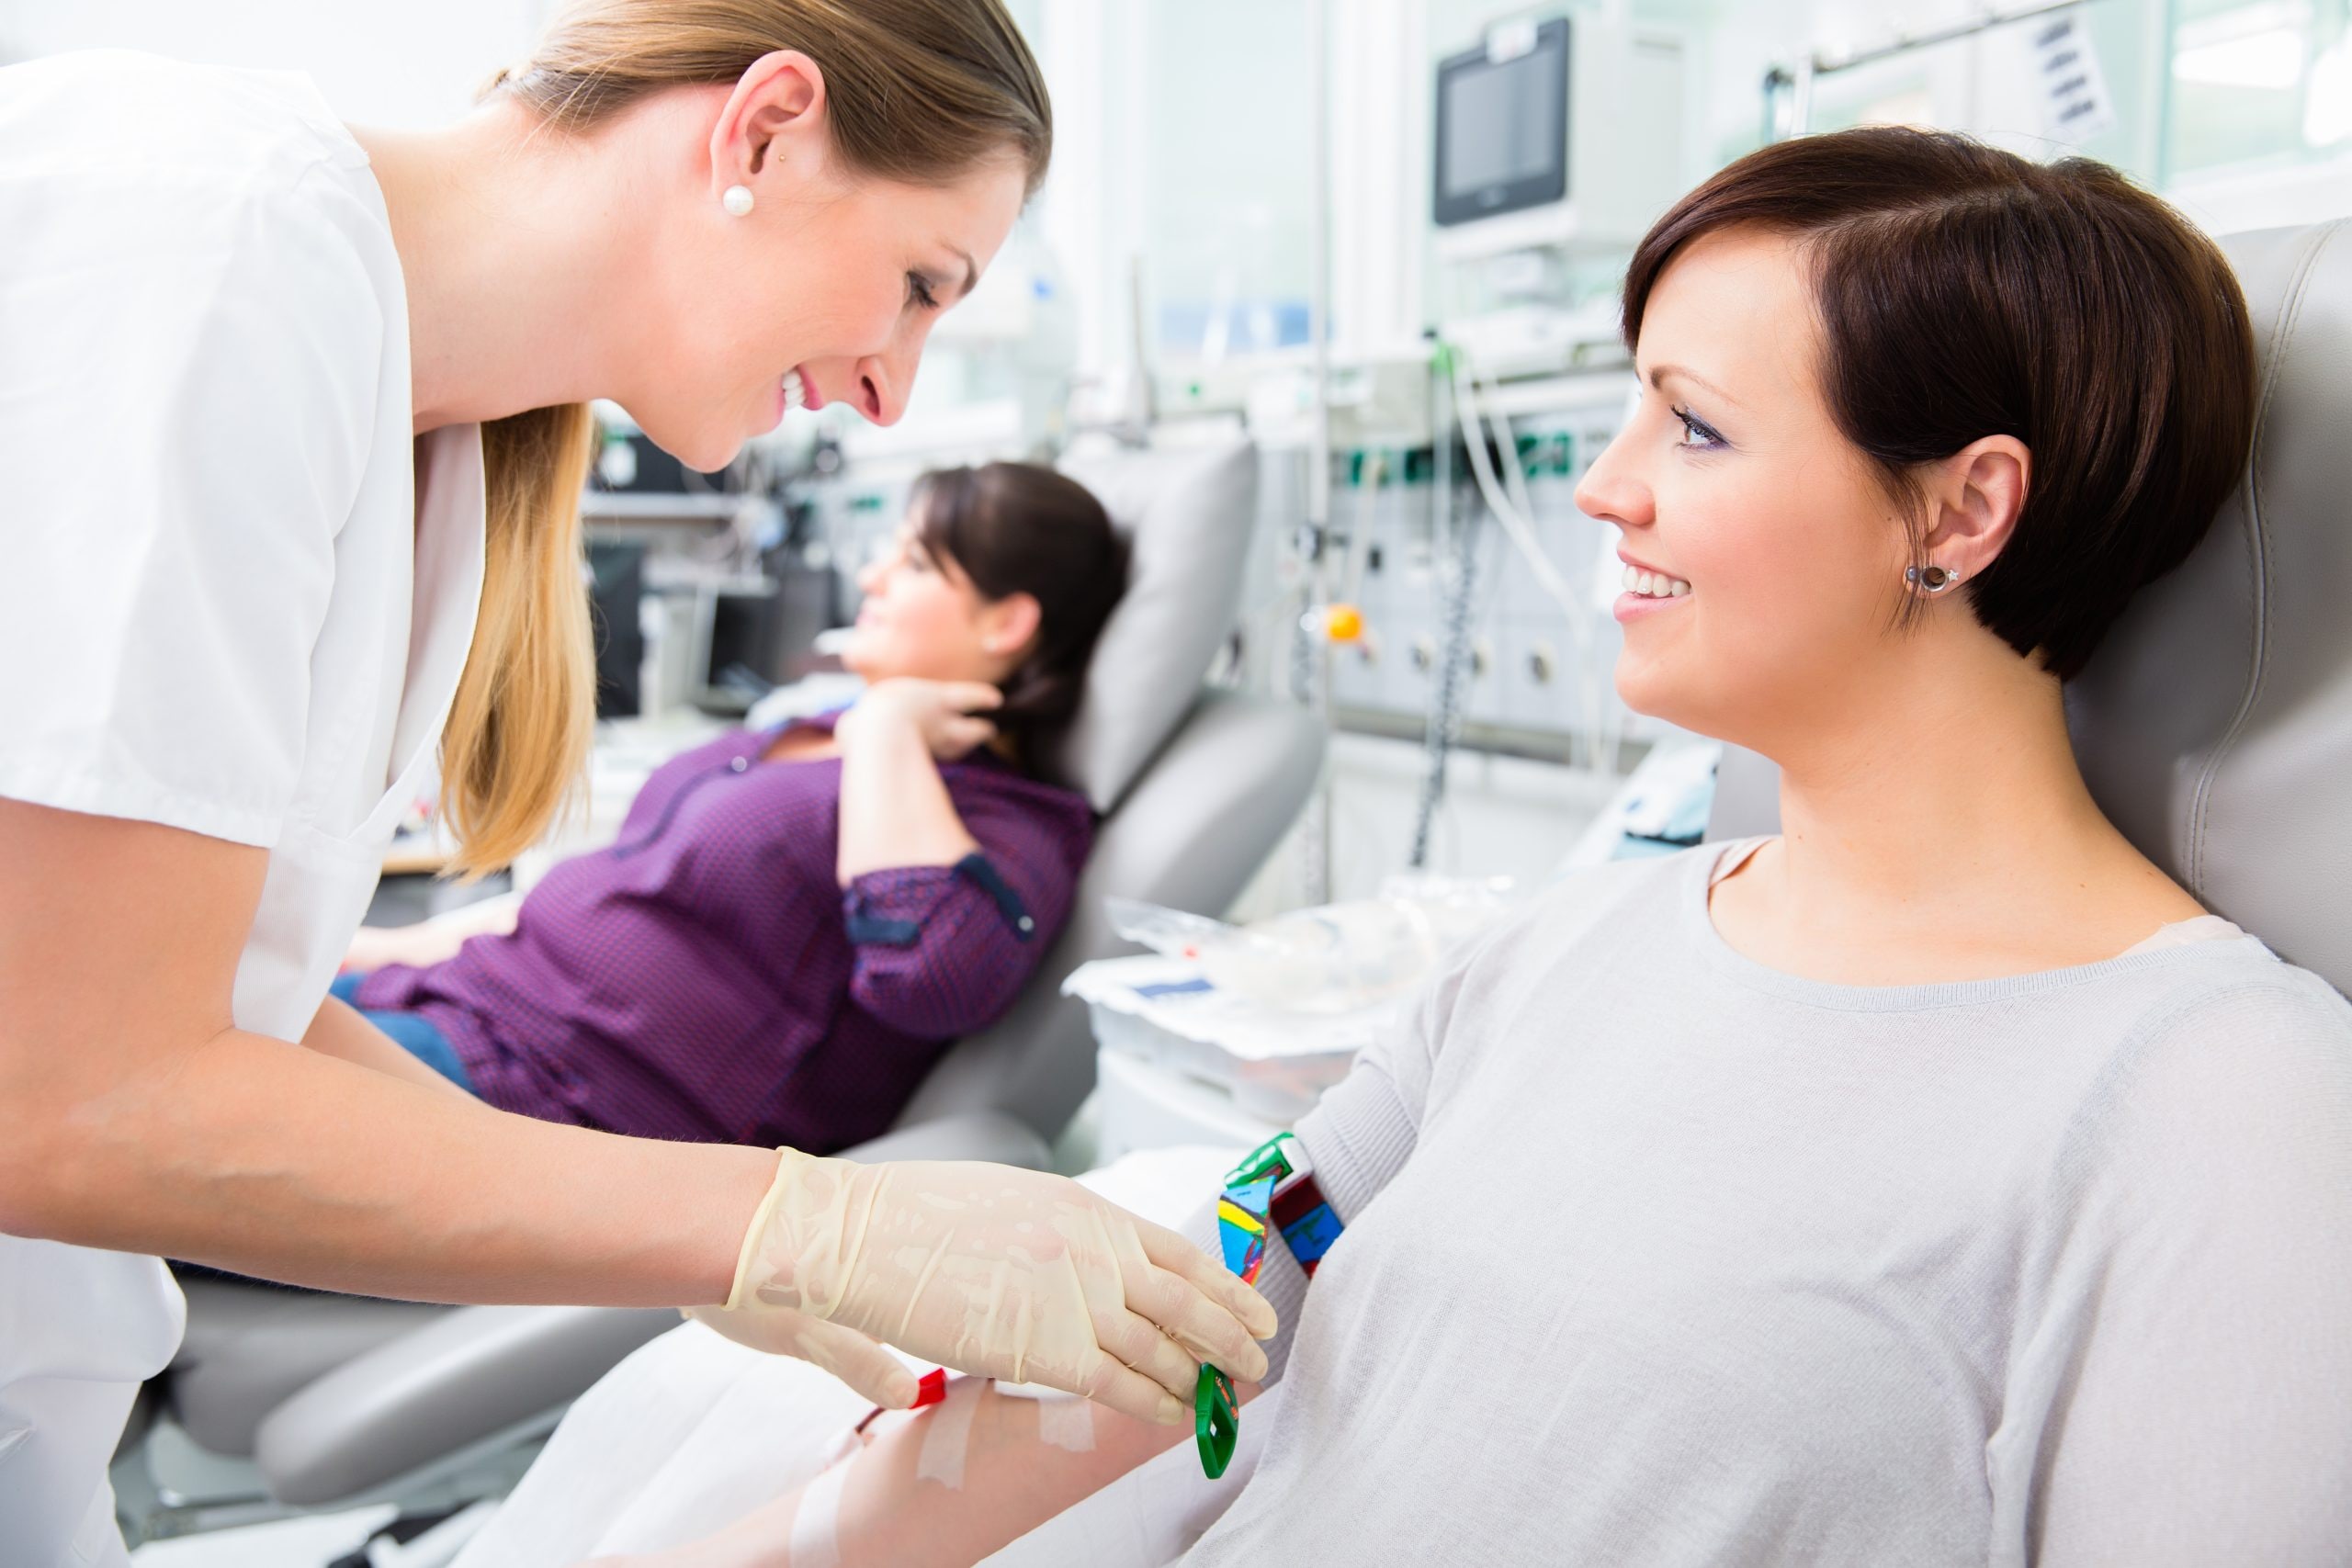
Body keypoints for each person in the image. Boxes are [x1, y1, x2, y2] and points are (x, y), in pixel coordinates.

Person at [477, 127, 2352, 1568]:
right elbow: (1212, 1302)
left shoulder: (2210, 1100)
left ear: (1961, 508)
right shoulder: (1561, 955)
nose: (1602, 484)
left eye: (1690, 426)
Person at [0, 11, 1272, 1565]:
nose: (893, 393)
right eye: (923, 283)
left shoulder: (429, 452)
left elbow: (192, 1001)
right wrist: (791, 1224)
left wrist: (740, 1255)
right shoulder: (216, 255)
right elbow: (67, 1089)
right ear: (762, 131)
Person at [334, 463, 1124, 1150]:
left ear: (1009, 621)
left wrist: (888, 725)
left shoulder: (1010, 818)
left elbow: (930, 975)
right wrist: (369, 946)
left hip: (549, 1097)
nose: (875, 576)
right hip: (459, 1003)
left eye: (915, 563)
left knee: (214, 1089)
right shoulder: (811, 732)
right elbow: (624, 885)